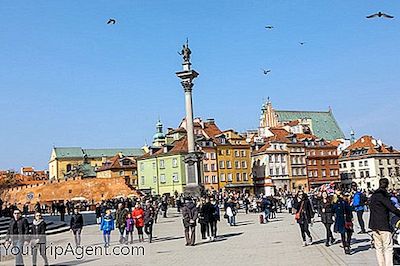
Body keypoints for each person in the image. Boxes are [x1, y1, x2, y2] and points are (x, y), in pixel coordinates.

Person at [369, 178, 400, 266]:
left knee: (378, 248)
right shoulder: (383, 196)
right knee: (388, 247)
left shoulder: (373, 196)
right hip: (383, 225)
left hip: (374, 225)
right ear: (387, 185)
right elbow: (392, 208)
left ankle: (381, 264)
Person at [333, 190, 353, 255]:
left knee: (349, 232)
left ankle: (347, 244)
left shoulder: (345, 202)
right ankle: (346, 246)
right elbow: (334, 210)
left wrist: (351, 216)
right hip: (341, 219)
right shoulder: (337, 202)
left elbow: (349, 210)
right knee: (343, 233)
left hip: (347, 219)